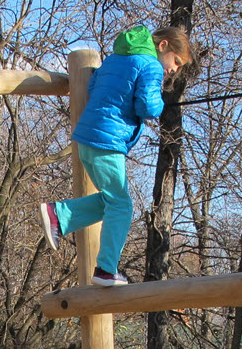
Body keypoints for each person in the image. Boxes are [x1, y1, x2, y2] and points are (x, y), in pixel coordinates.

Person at [37, 25, 194, 286]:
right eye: (175, 62)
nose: (173, 69)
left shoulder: (114, 59)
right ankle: (106, 269)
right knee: (121, 206)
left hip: (88, 139)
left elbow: (93, 86)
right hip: (107, 141)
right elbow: (147, 106)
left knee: (114, 202)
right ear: (163, 46)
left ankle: (61, 215)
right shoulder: (151, 66)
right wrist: (160, 103)